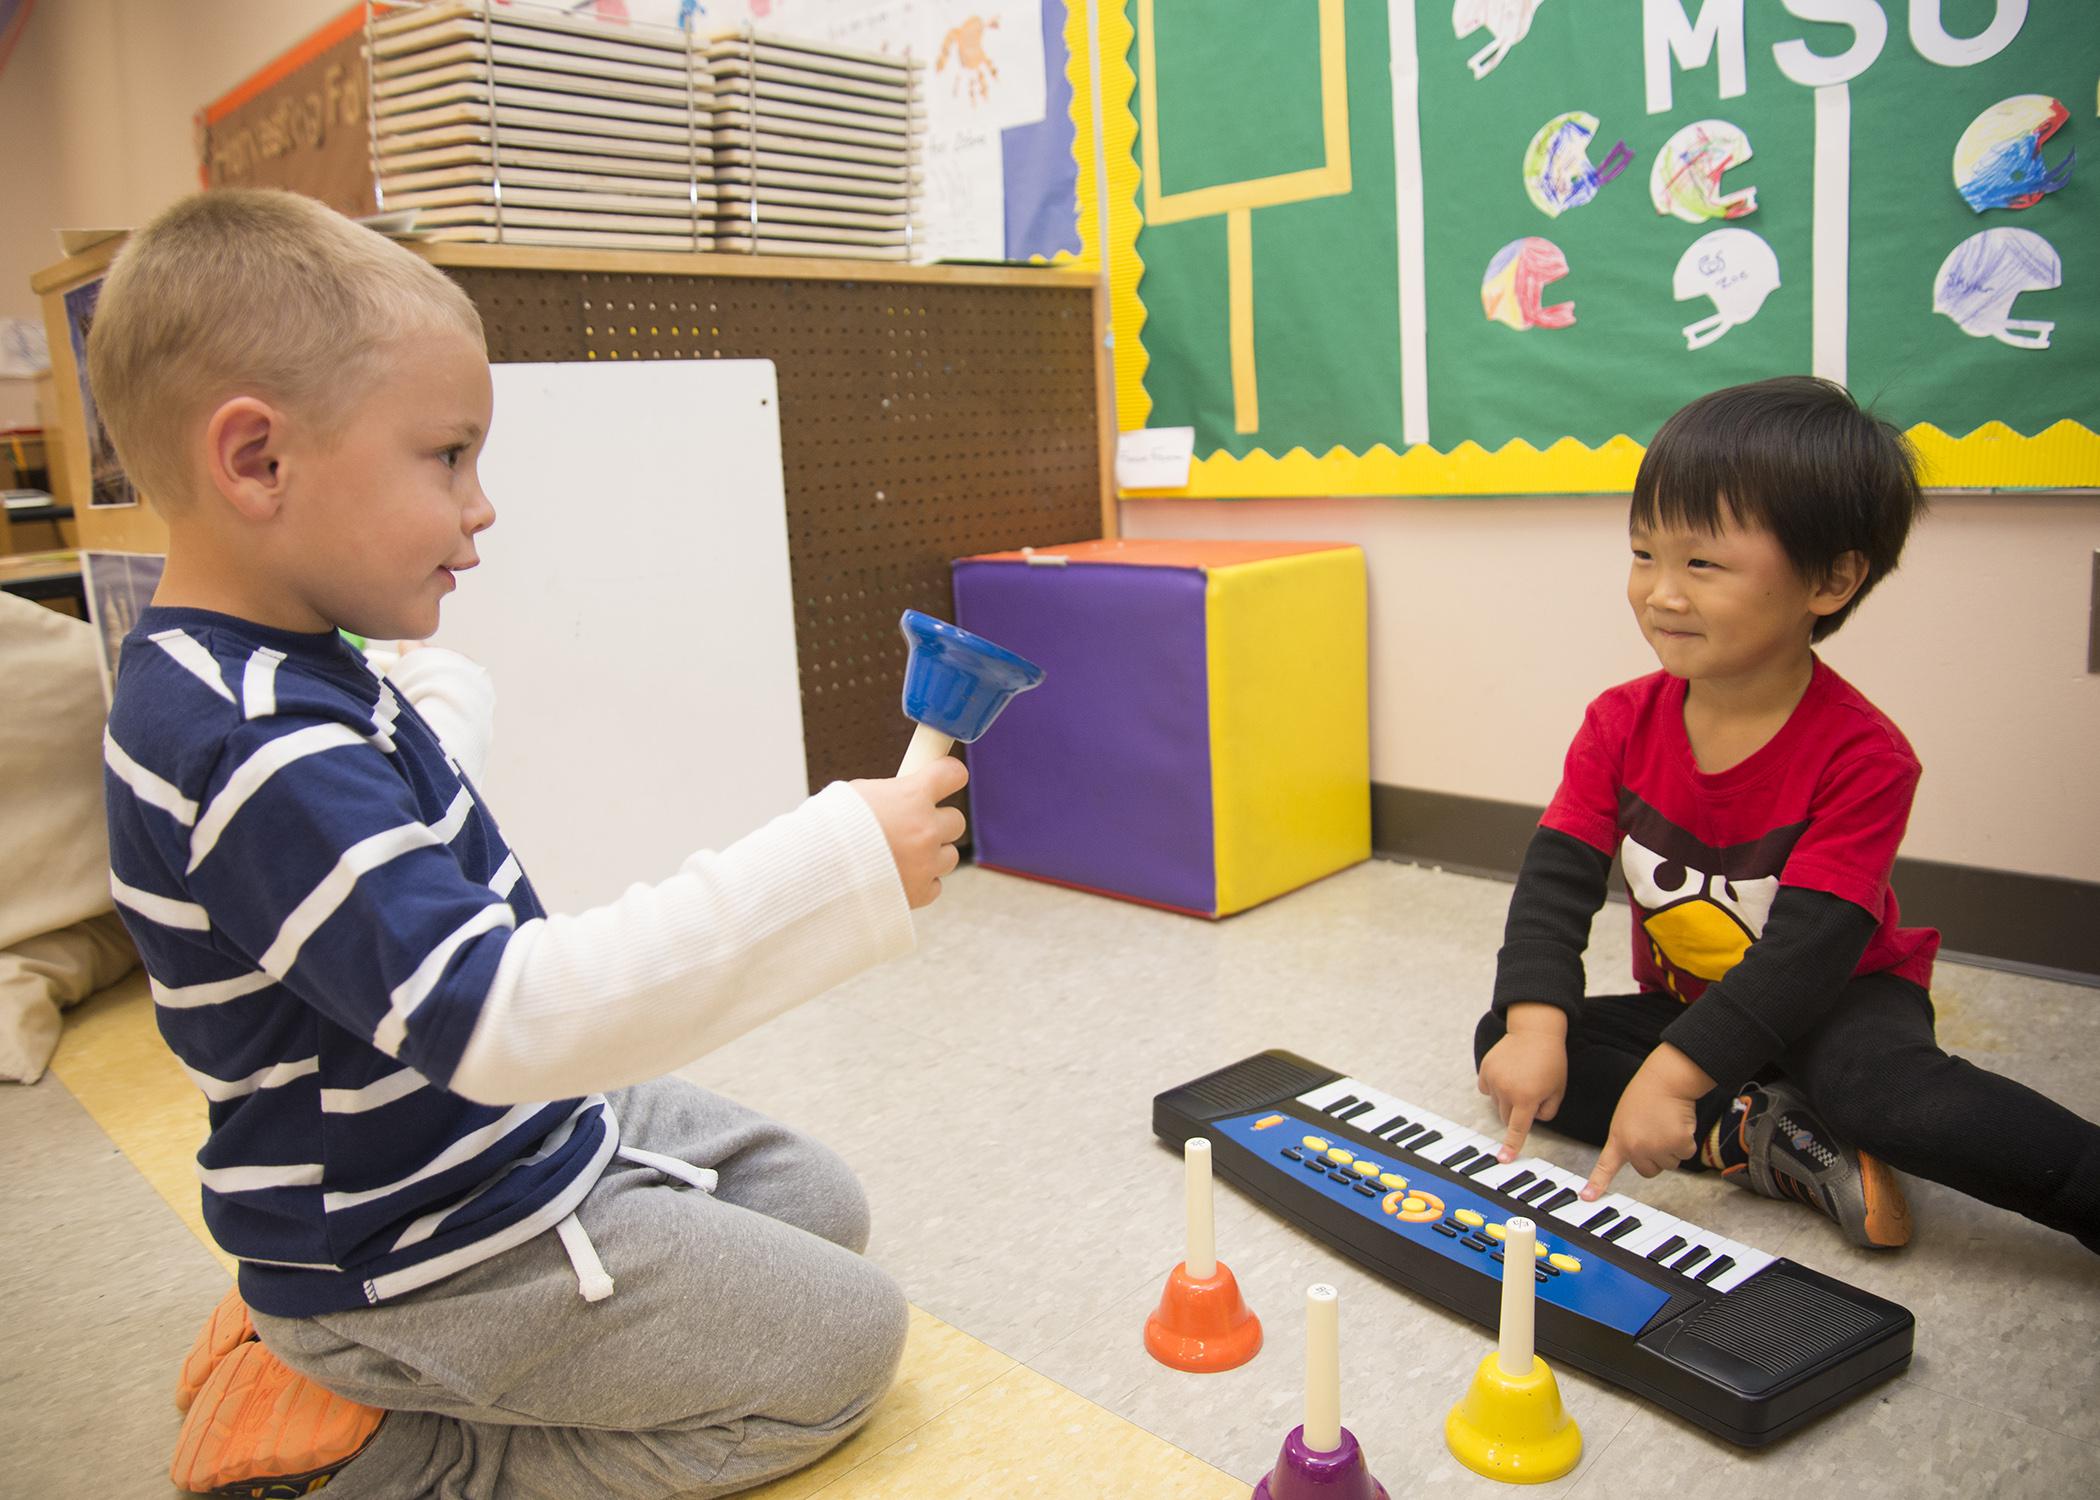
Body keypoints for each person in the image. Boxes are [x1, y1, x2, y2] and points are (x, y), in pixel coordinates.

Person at [92, 187, 969, 1498]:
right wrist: (836, 867)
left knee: (815, 1203)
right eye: (447, 456)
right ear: (257, 461)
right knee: (850, 1346)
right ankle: (371, 1440)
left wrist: (439, 702)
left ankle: (329, 1342)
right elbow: (506, 1012)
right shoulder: (248, 745)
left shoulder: (271, 670)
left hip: (465, 1140)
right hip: (423, 1239)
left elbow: (382, 830)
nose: (483, 505)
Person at [1472, 376, 2099, 1257]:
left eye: (1703, 564)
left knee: (1879, 1092)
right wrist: (1535, 1025)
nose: (1661, 593)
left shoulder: (1865, 756)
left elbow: (1807, 954)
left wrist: (1674, 1076)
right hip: (1693, 1003)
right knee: (1512, 1041)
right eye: (1644, 553)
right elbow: (1554, 885)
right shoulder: (1619, 722)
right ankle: (1765, 1136)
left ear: (1832, 579)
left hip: (1837, 1004)